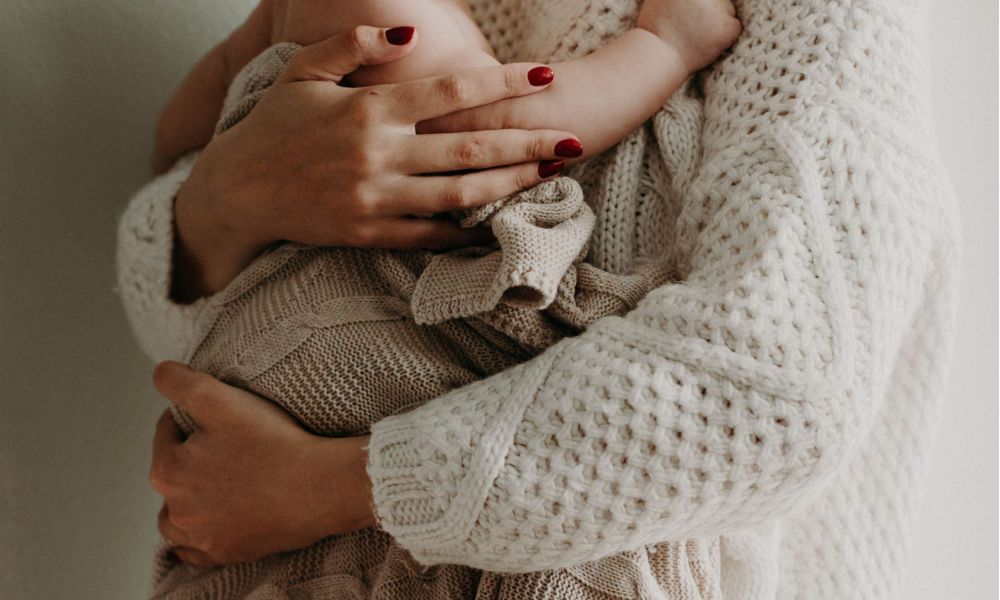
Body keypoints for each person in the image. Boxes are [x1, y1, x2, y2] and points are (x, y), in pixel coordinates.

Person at [118, 0, 960, 598]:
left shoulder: (825, 25)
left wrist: (324, 487)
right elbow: (193, 319)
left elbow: (779, 392)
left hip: (530, 551)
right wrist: (229, 195)